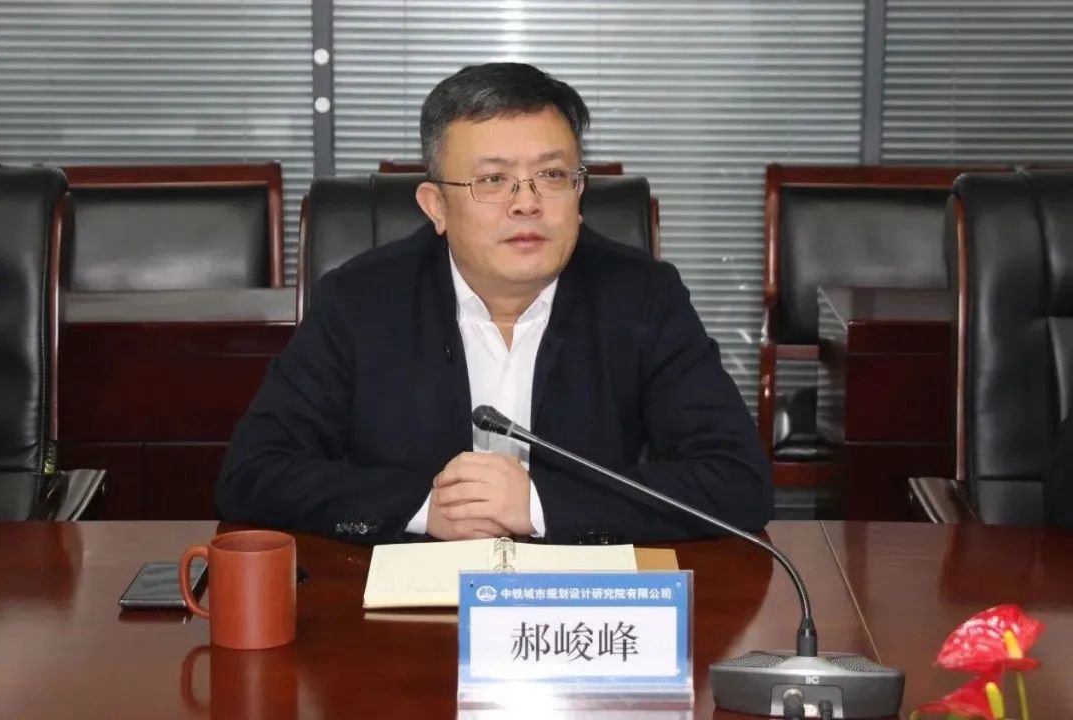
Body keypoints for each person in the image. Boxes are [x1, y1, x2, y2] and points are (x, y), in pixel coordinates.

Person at [217, 62, 772, 544]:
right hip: (407, 606)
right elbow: (253, 473)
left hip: (578, 602)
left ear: (579, 192)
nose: (526, 203)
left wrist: (537, 504)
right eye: (493, 179)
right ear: (436, 206)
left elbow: (736, 481)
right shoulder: (360, 301)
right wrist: (426, 508)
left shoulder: (643, 296)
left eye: (551, 175)